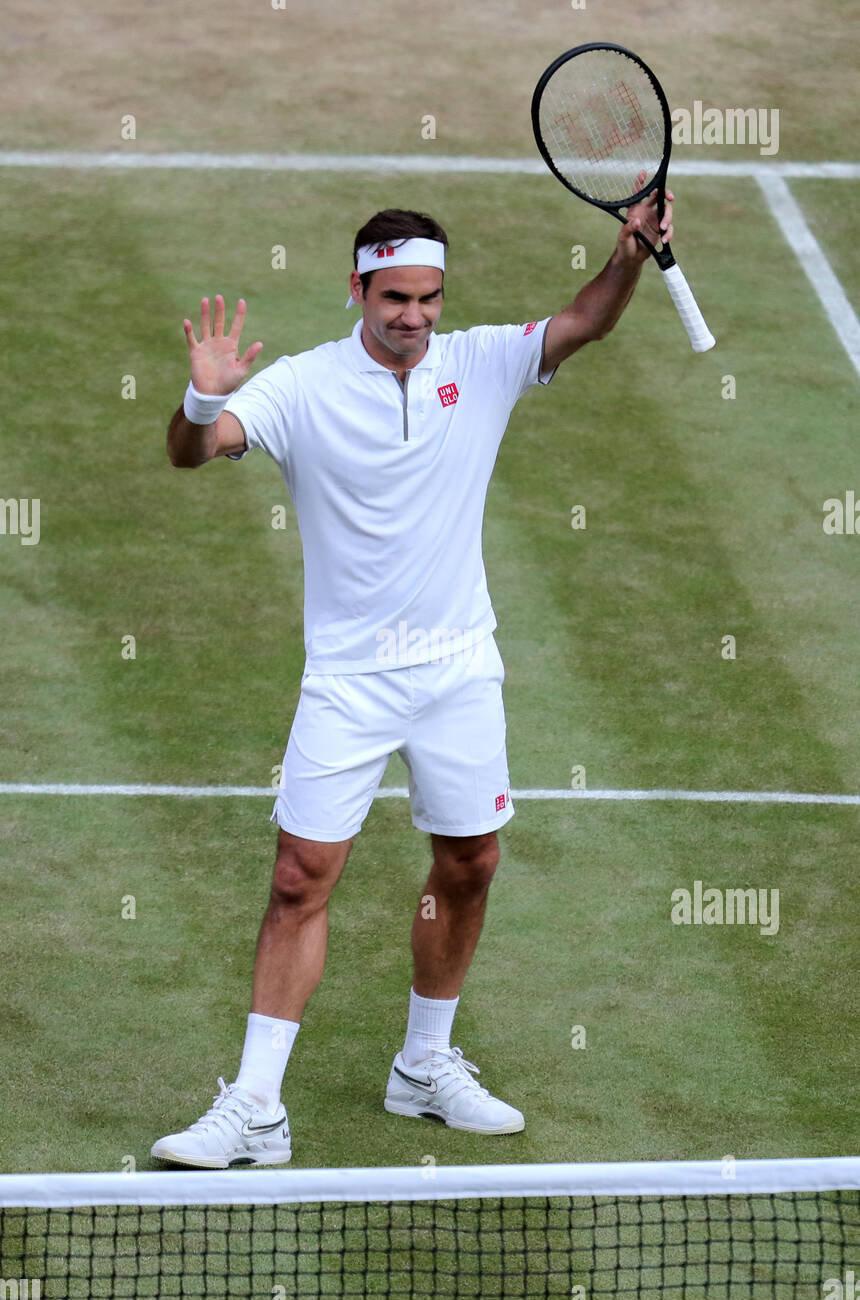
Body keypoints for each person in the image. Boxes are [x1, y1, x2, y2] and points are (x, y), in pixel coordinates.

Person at [152, 191, 674, 1167]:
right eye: (394, 298)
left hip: (457, 669)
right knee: (298, 878)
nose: (414, 317)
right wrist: (203, 398)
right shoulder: (301, 387)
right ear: (356, 289)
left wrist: (628, 259)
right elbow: (194, 454)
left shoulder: (477, 362)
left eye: (428, 298)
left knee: (468, 863)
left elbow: (582, 321)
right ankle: (255, 1106)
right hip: (347, 680)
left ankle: (423, 1065)